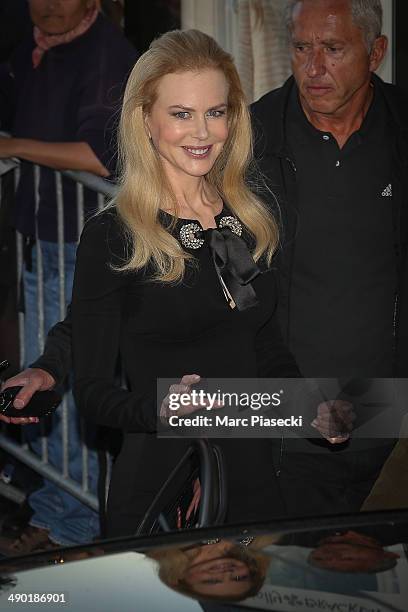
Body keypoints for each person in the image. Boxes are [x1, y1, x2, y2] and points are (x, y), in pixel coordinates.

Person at [250, 0, 408, 516]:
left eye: (333, 49)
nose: (313, 68)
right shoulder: (251, 138)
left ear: (376, 53)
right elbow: (228, 282)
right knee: (285, 586)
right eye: (301, 48)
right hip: (285, 418)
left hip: (391, 417)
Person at [0, 0, 137, 553]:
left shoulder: (108, 55)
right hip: (43, 237)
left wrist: (11, 147)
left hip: (78, 244)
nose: (50, 3)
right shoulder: (33, 47)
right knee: (46, 376)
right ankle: (58, 510)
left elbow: (100, 158)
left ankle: (70, 525)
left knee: (61, 382)